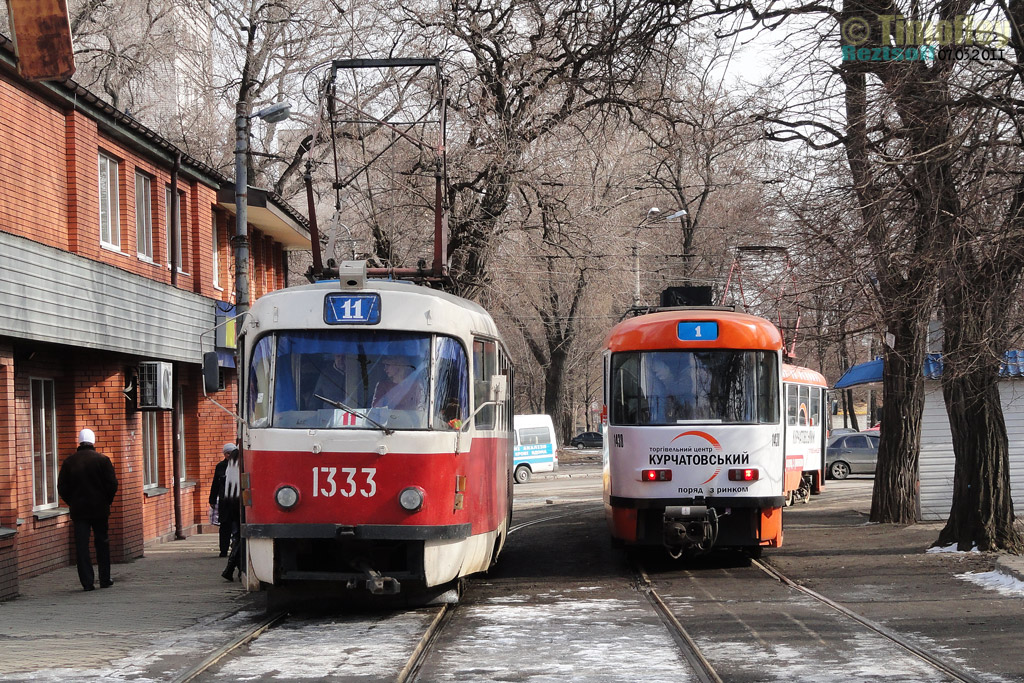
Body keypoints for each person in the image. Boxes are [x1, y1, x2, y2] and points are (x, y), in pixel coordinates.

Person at [57, 428, 118, 591]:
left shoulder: (69, 462)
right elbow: (112, 484)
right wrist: (107, 501)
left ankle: (87, 582)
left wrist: (72, 502)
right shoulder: (103, 460)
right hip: (100, 509)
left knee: (82, 546)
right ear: (93, 442)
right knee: (102, 543)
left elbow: (62, 487)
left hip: (79, 511)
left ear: (79, 442)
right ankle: (105, 579)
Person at [220, 444, 242, 581]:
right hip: (239, 501)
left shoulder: (234, 456)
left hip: (231, 501)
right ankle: (232, 568)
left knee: (238, 536)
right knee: (240, 537)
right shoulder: (242, 455)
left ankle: (232, 568)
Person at [208, 444, 234, 557]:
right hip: (224, 501)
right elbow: (215, 484)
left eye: (231, 453)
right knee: (224, 526)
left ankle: (236, 548)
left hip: (236, 501)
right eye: (227, 453)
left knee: (236, 526)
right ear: (224, 454)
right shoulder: (220, 466)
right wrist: (212, 499)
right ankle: (223, 550)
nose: (229, 455)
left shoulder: (240, 465)